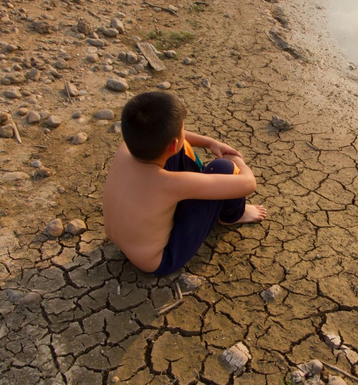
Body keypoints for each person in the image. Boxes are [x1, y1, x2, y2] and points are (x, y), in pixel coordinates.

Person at [103, 91, 266, 276]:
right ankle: (233, 215)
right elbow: (248, 183)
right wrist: (237, 160)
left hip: (125, 241)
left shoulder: (126, 148)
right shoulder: (170, 184)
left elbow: (172, 138)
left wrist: (209, 142)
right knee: (224, 167)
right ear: (173, 143)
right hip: (161, 260)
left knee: (177, 148)